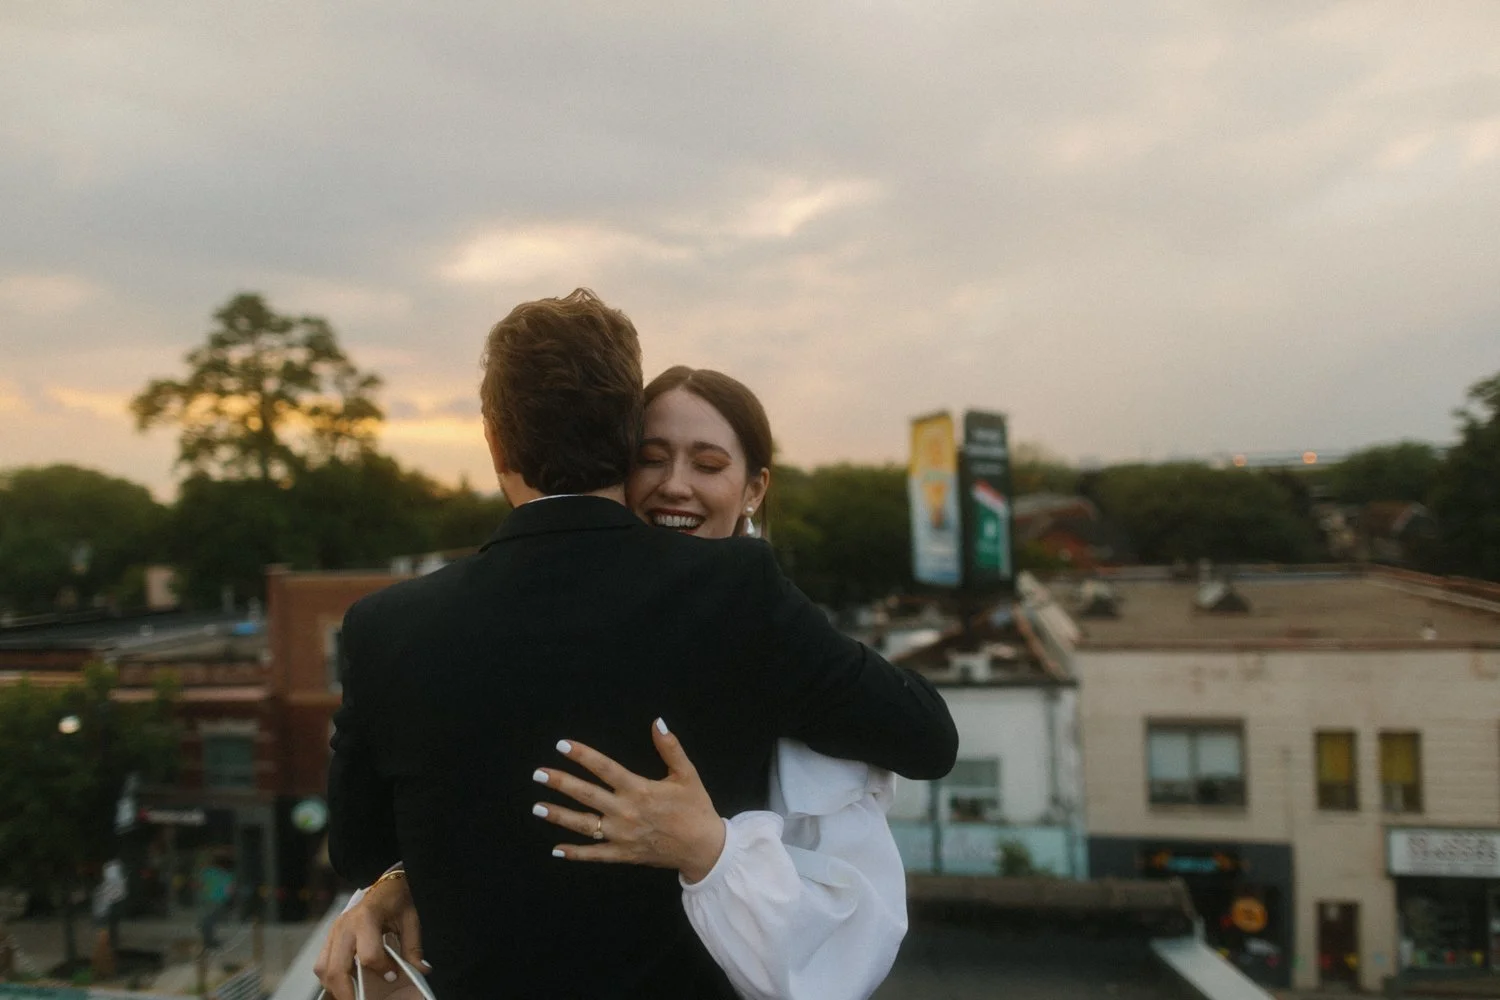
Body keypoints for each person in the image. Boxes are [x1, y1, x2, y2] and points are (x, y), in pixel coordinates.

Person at [321, 290, 957, 1000]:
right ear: (626, 439)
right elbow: (927, 740)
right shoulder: (734, 593)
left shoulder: (387, 626)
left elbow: (357, 847)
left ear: (493, 439)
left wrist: (399, 877)